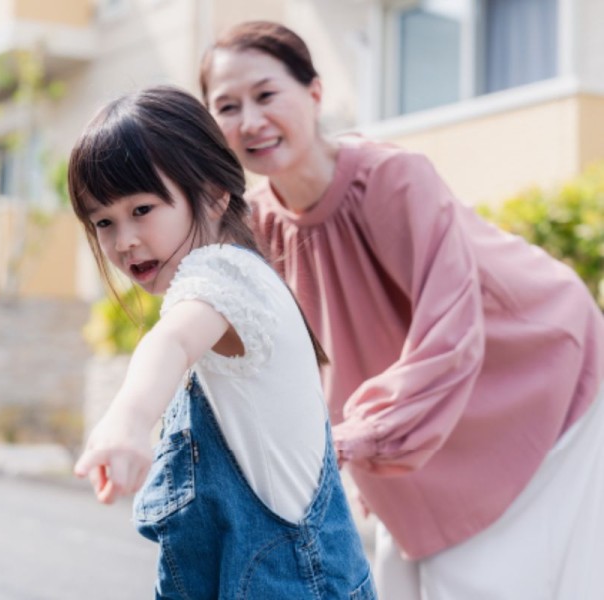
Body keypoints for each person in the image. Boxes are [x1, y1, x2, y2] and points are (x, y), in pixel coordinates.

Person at [199, 20, 604, 600]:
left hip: (534, 366)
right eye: (228, 107)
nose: (251, 121)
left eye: (266, 95)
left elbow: (453, 330)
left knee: (493, 579)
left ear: (314, 93)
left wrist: (354, 439)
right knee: (410, 577)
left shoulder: (390, 179)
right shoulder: (258, 225)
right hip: (414, 422)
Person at [68, 85, 376, 599]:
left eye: (142, 209)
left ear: (213, 193)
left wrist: (128, 421)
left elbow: (170, 341)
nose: (124, 240)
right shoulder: (239, 280)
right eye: (104, 221)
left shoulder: (223, 275)